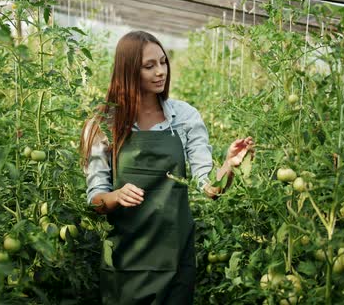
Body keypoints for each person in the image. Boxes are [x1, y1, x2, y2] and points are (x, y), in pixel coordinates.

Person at [80, 31, 255, 305]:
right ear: (127, 71)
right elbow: (95, 200)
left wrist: (229, 166)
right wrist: (116, 196)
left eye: (163, 62)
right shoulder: (104, 124)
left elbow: (208, 187)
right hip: (126, 259)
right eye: (149, 66)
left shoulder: (185, 118)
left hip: (175, 258)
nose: (160, 71)